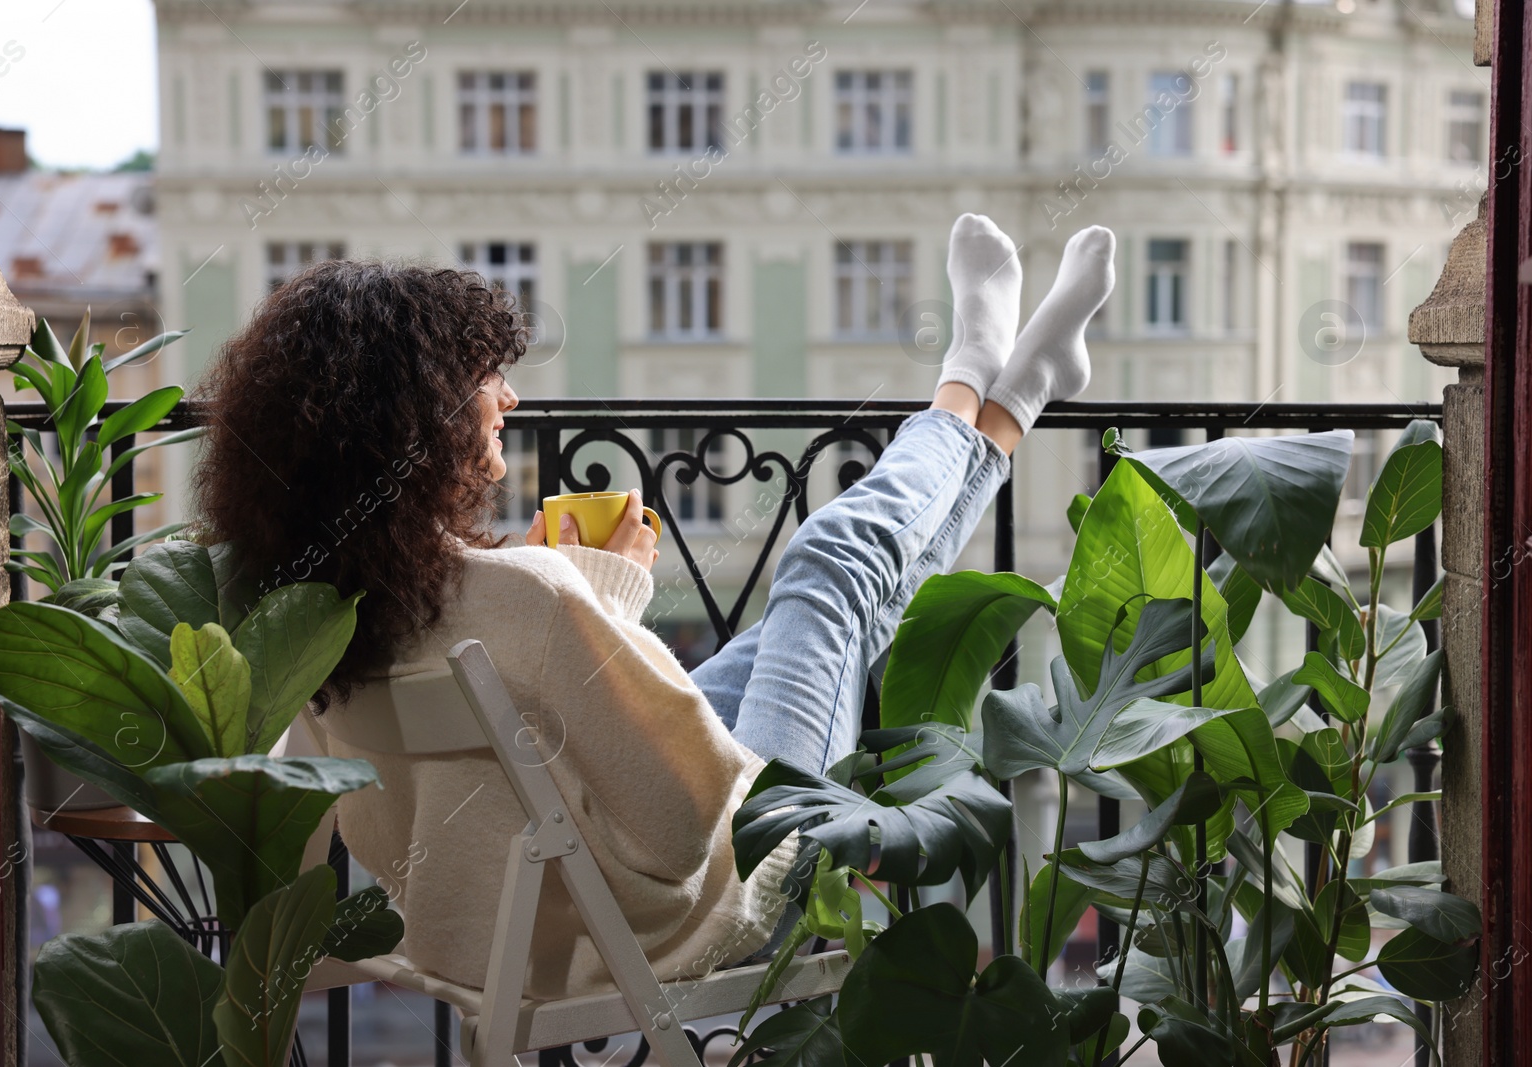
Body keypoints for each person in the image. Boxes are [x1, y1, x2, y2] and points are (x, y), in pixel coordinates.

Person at [193, 215, 1115, 1000]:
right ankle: (971, 379)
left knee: (831, 614)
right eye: (484, 377)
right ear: (418, 416)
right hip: (696, 905)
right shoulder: (533, 593)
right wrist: (610, 597)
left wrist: (584, 608)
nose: (508, 396)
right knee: (831, 565)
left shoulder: (315, 608)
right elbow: (681, 831)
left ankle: (1009, 393)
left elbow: (440, 779)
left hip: (509, 927)